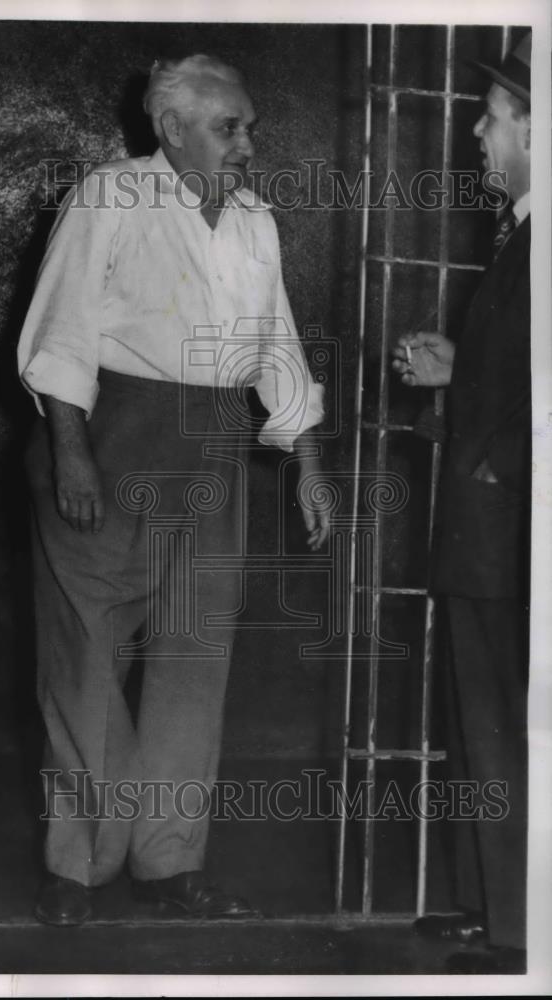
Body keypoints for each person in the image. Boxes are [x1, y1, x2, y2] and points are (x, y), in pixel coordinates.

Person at [17, 54, 330, 926]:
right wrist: (73, 452)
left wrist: (307, 461)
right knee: (86, 653)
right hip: (110, 433)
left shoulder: (255, 222)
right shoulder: (110, 196)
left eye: (251, 127)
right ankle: (79, 865)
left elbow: (280, 345)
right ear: (172, 129)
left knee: (195, 658)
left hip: (215, 442)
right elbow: (61, 329)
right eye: (231, 127)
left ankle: (168, 862)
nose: (248, 144)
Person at [392, 34, 531, 975]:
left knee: (515, 725)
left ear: (533, 124)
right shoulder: (522, 230)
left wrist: (498, 470)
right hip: (495, 531)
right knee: (487, 725)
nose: (477, 133)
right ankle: (497, 908)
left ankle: (527, 934)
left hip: (516, 533)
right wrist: (457, 374)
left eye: (490, 115)